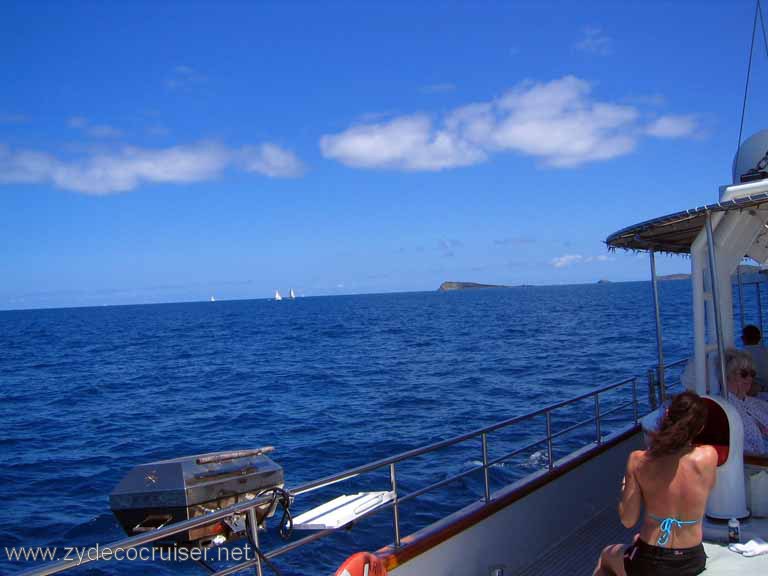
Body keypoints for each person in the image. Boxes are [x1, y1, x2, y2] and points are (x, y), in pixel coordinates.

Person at [593, 391, 717, 576]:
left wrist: (624, 488)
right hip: (692, 559)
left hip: (652, 562)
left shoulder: (638, 460)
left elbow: (628, 520)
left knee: (606, 556)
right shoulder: (709, 457)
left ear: (666, 416)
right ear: (699, 428)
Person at [723, 348, 768, 454]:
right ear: (729, 375)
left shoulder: (758, 403)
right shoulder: (726, 409)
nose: (749, 378)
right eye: (744, 374)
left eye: (752, 374)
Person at [742, 324, 768, 395]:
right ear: (759, 338)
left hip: (756, 388)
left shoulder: (742, 355)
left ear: (743, 338)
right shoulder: (766, 351)